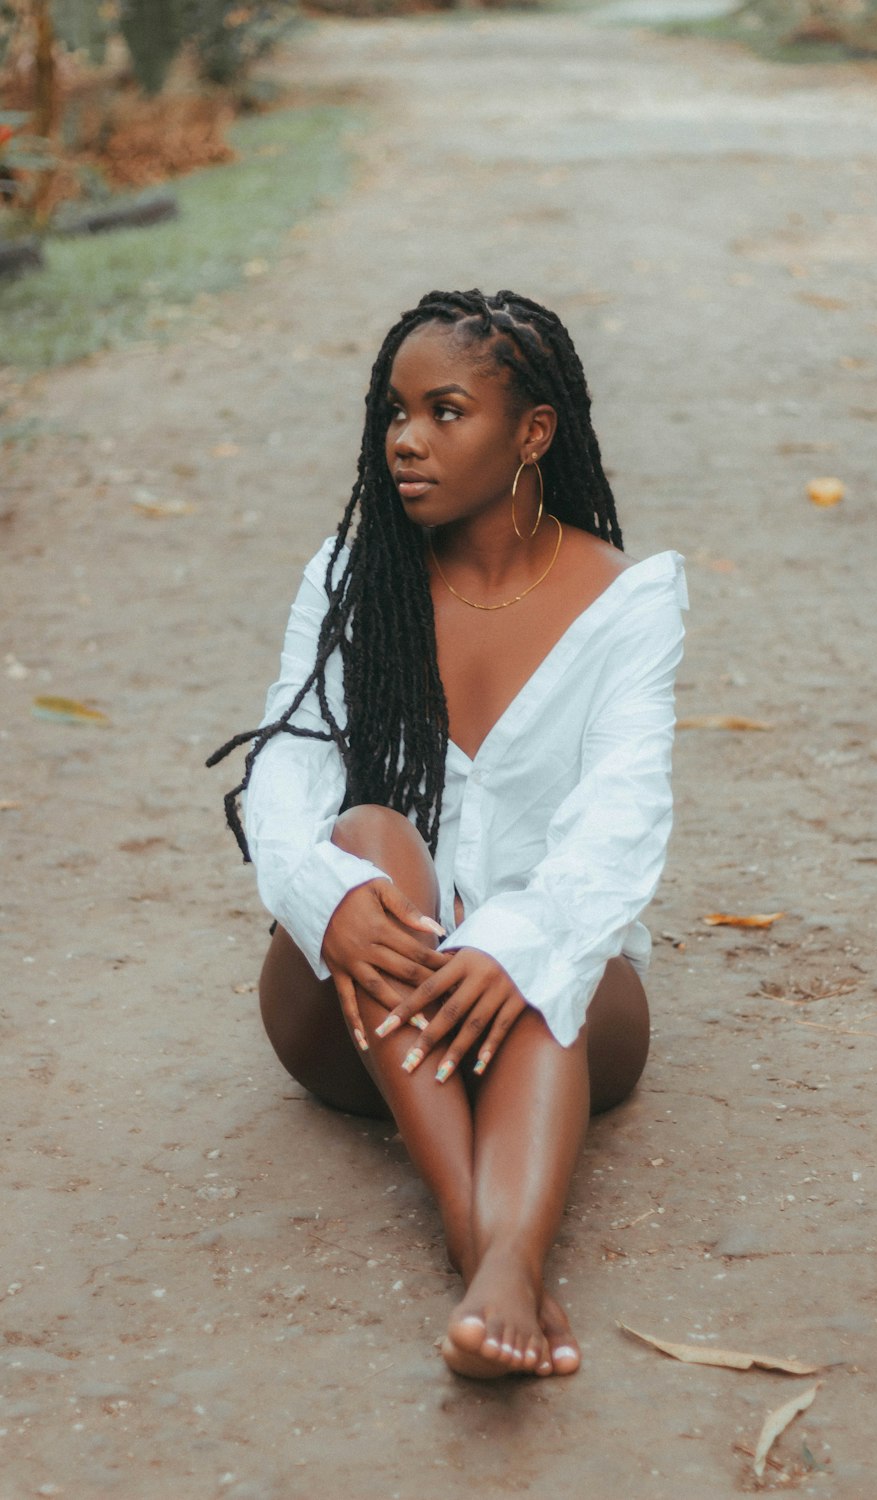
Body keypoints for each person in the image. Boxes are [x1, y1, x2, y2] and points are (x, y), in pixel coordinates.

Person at [208, 289, 687, 1380]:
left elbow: (622, 817)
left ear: (532, 434)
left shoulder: (627, 602)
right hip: (355, 1006)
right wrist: (326, 902)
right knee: (369, 833)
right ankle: (495, 1257)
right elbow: (283, 778)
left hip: (551, 1021)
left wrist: (512, 946)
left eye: (445, 411)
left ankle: (499, 1269)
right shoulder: (348, 579)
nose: (405, 441)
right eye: (394, 412)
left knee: (549, 961)